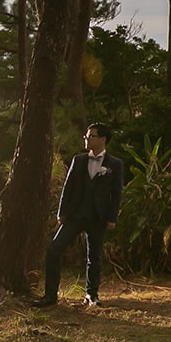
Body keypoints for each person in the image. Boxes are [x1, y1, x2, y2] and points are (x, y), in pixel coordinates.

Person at [31, 122, 124, 308]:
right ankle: (50, 296)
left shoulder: (115, 164)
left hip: (98, 216)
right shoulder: (79, 160)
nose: (86, 139)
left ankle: (91, 295)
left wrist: (112, 218)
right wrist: (61, 213)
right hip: (75, 215)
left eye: (91, 136)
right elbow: (68, 187)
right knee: (54, 250)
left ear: (103, 139)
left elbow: (116, 193)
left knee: (94, 257)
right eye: (86, 136)